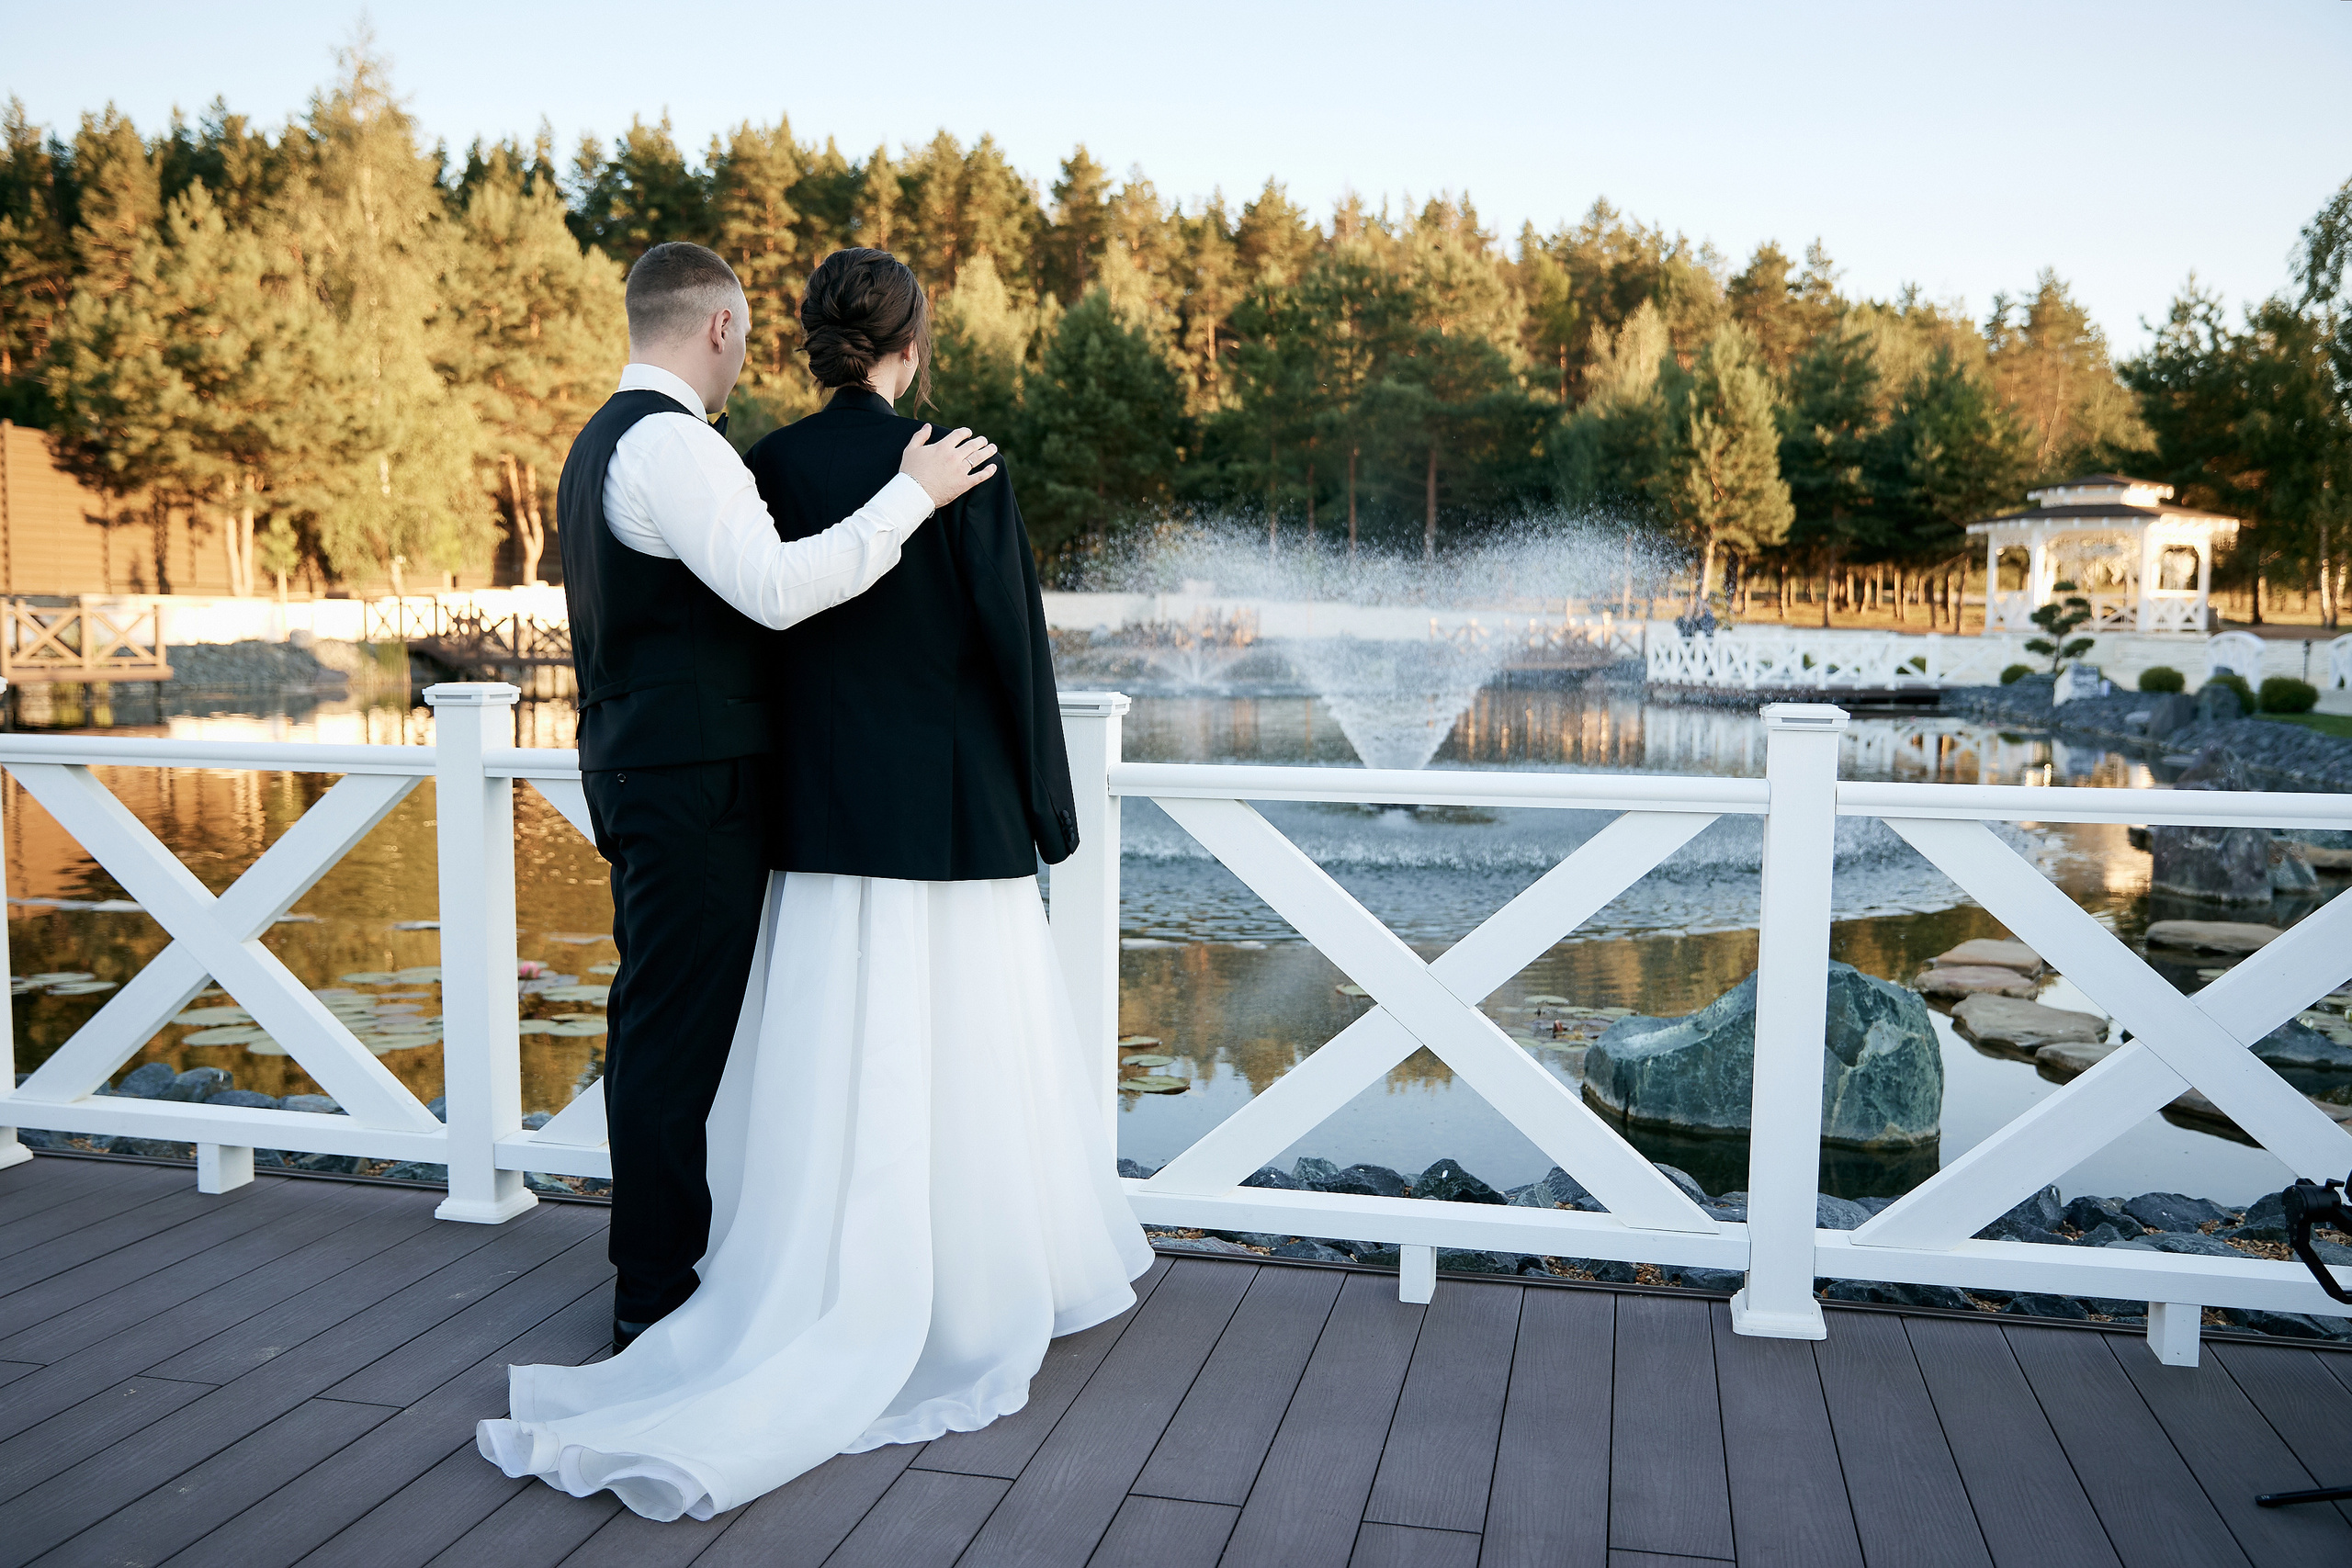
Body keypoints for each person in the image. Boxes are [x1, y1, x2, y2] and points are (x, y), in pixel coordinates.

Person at [478, 248, 1150, 1521]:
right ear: (911, 344)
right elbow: (1008, 648)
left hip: (797, 819)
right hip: (942, 822)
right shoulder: (938, 462)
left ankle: (746, 1267)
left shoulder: (753, 464)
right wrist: (1047, 814)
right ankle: (850, 1281)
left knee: (807, 1059)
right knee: (917, 1054)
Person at [550, 242, 999, 1355]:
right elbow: (781, 592)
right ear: (716, 326)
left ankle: (662, 1266)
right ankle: (653, 1291)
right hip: (692, 782)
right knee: (671, 1039)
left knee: (660, 1026)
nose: (750, 363)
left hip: (635, 765)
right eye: (746, 338)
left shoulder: (596, 442)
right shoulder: (675, 447)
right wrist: (910, 495)